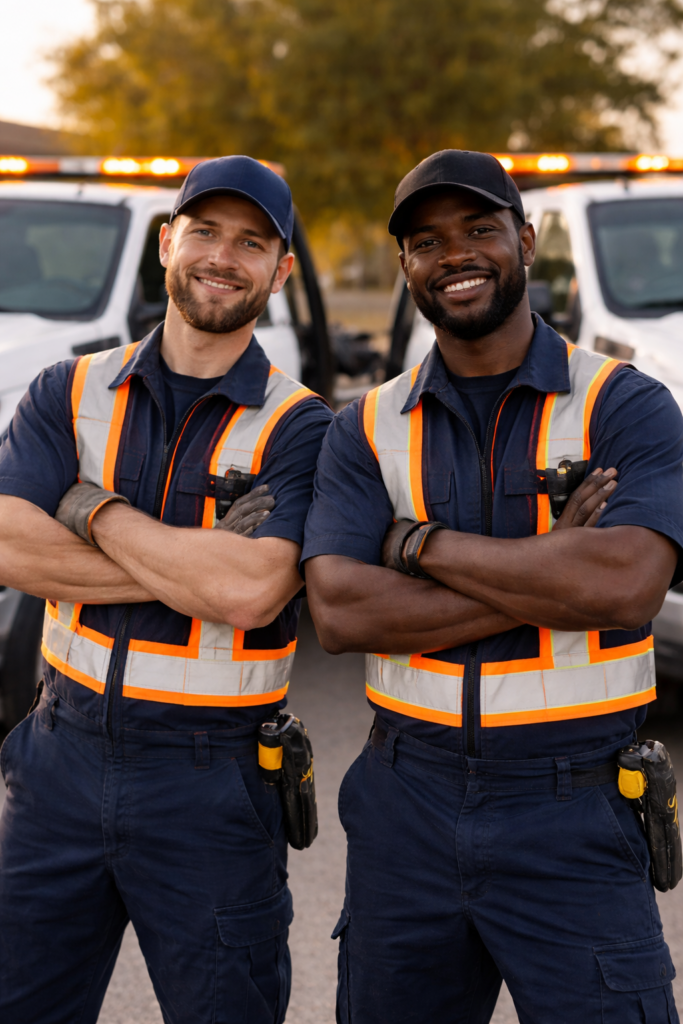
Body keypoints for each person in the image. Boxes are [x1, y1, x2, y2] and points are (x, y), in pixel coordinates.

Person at [303, 150, 683, 1023]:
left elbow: (625, 587)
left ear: (526, 237)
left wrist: (417, 542)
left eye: (479, 230)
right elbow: (339, 611)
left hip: (576, 799)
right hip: (405, 799)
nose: (455, 255)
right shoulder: (362, 424)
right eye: (426, 241)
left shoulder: (623, 403)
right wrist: (554, 564)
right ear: (404, 267)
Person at [0, 156, 333, 1024]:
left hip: (213, 779)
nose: (223, 256)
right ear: (166, 242)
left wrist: (89, 506)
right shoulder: (65, 390)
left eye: (252, 242)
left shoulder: (303, 427)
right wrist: (195, 565)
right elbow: (5, 544)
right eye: (205, 231)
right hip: (57, 757)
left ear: (281, 271)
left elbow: (253, 594)